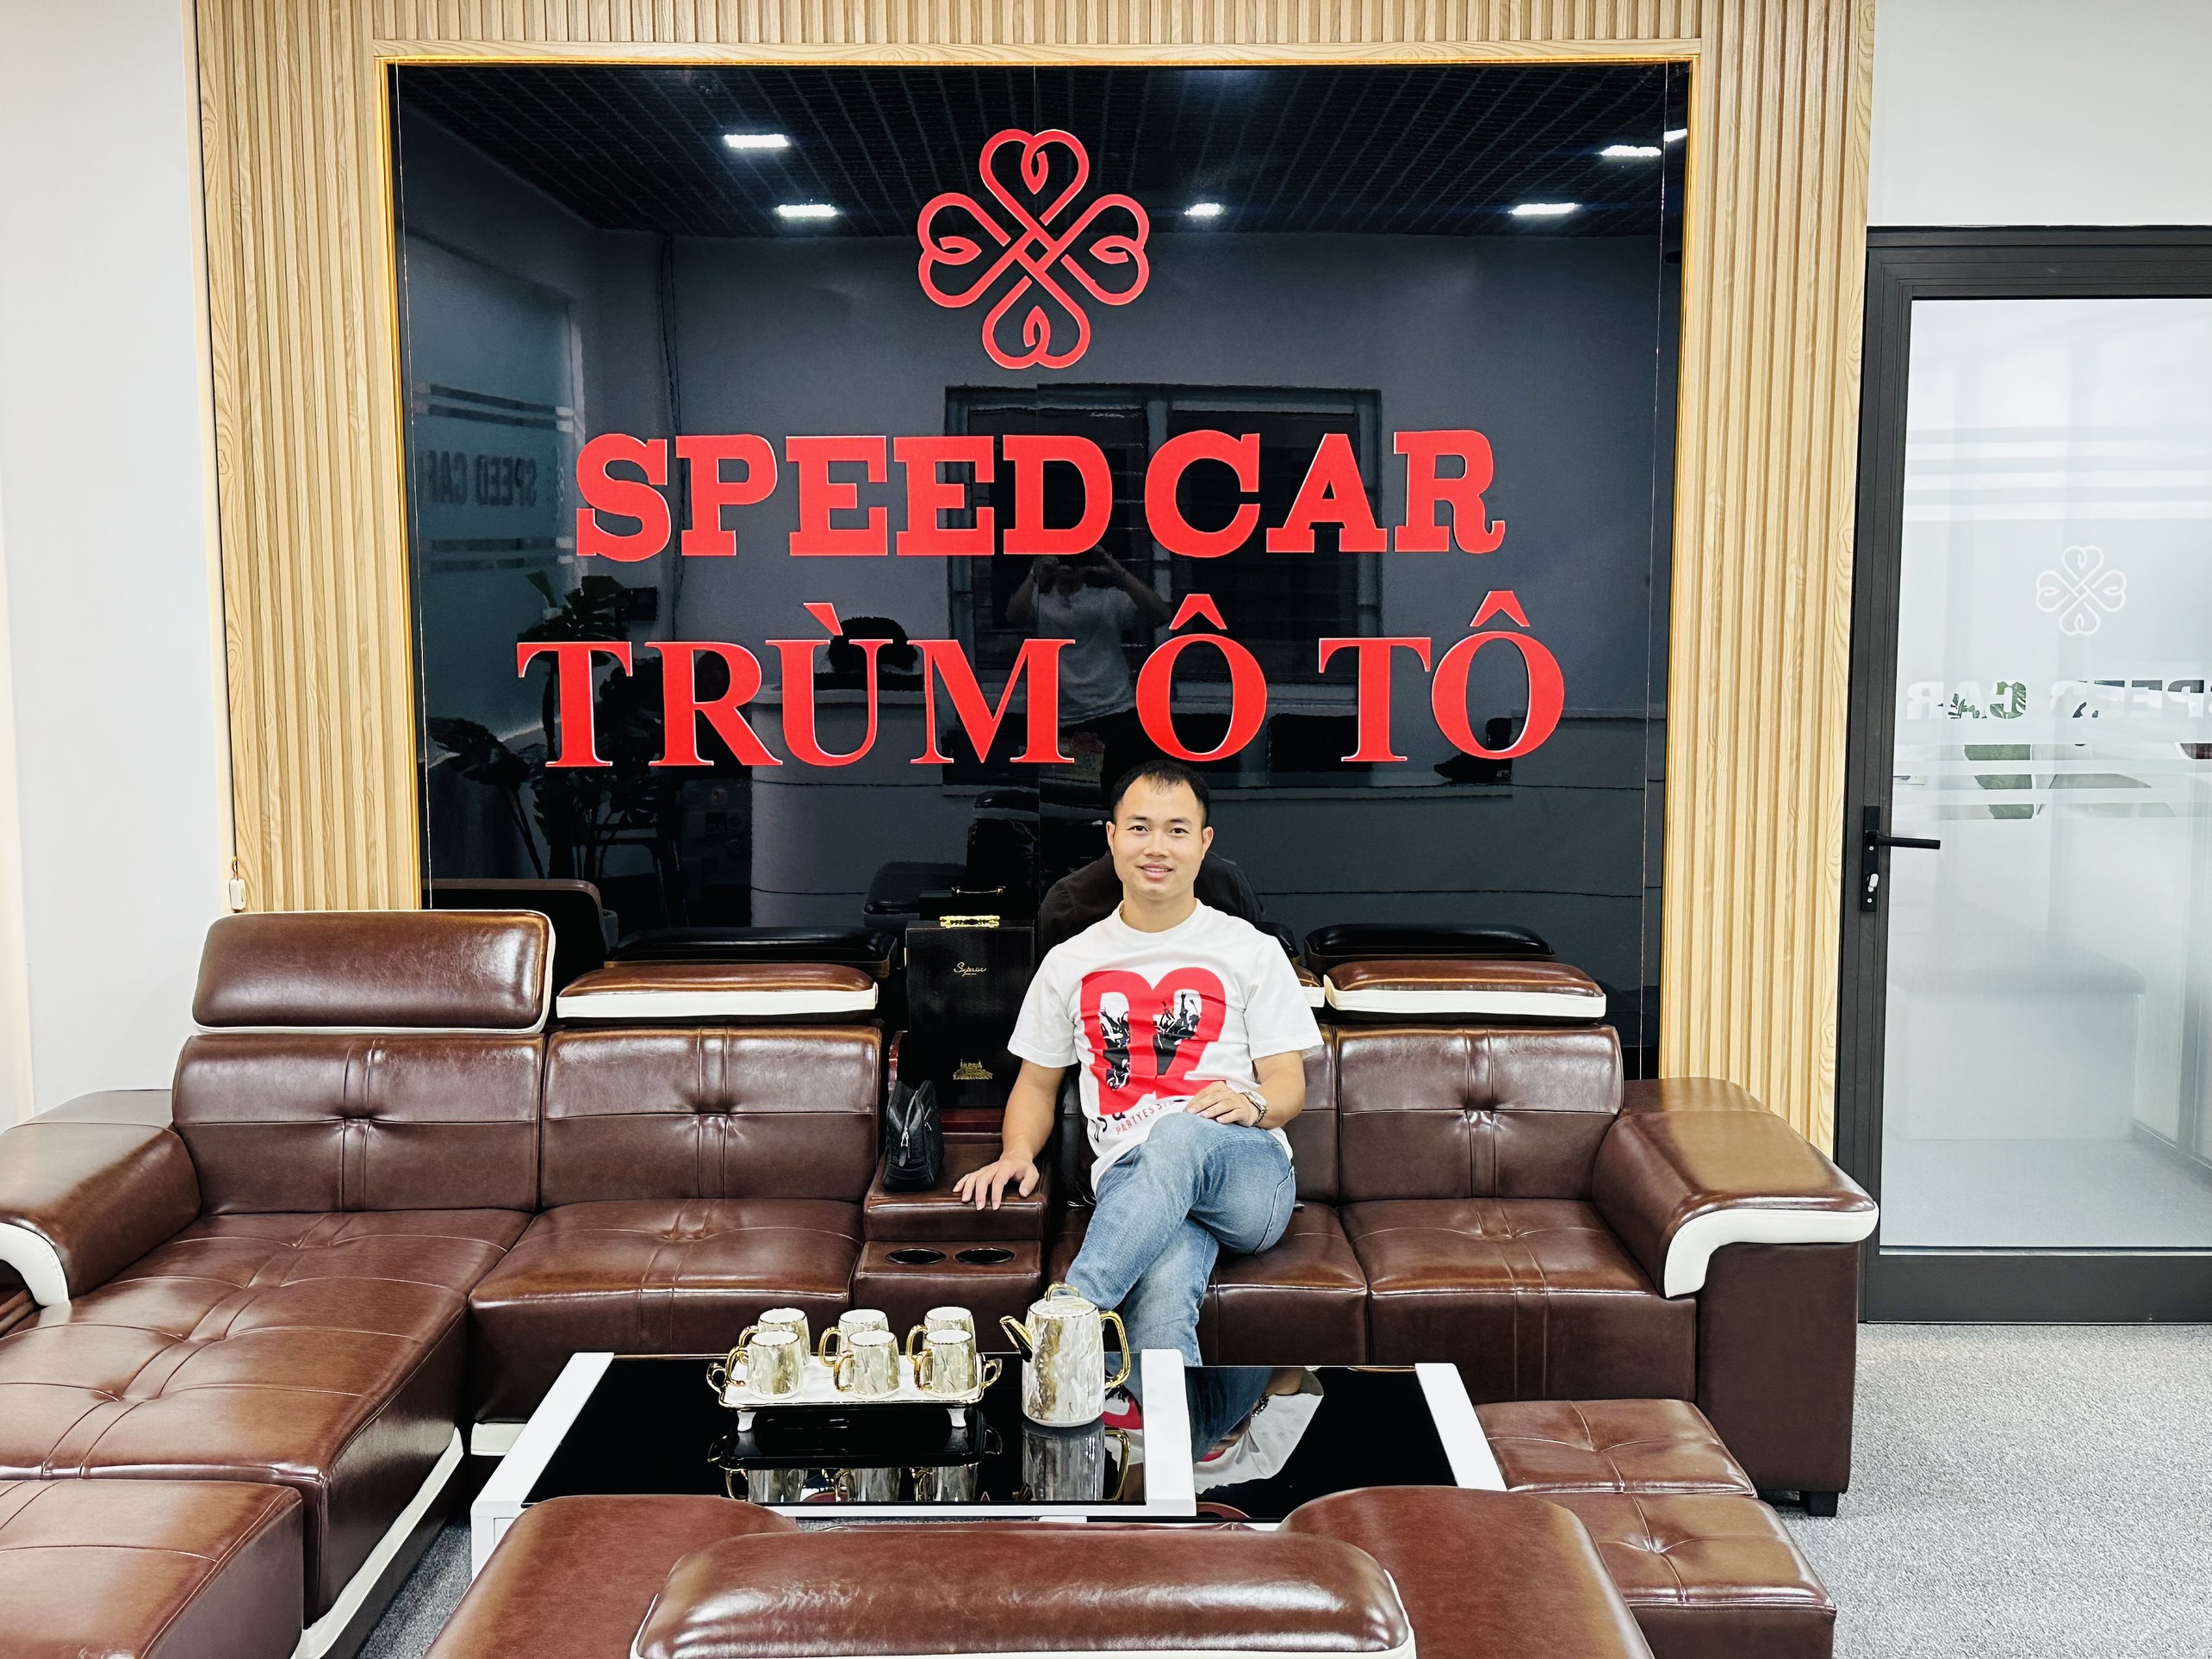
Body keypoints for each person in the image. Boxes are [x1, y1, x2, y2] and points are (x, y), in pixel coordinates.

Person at [954, 760, 1323, 1372]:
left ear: (1204, 842)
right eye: (1140, 828)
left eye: (1177, 831)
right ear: (1112, 837)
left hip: (1246, 1173)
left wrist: (1253, 1102)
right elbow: (1037, 1085)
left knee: (1178, 1132)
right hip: (1132, 1179)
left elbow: (1287, 1084)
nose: (1157, 847)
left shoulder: (1251, 951)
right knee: (1162, 1301)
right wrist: (1017, 1153)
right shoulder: (1070, 962)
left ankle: (1070, 1311)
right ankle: (1191, 1426)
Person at [1007, 548, 1171, 804]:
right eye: (1064, 557)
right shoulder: (1041, 603)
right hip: (1063, 718)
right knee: (1072, 802)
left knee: (1123, 797)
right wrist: (1034, 574)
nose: (1070, 564)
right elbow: (1013, 616)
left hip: (1115, 712)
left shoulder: (1108, 600)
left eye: (1077, 558)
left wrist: (1117, 572)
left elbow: (1160, 615)